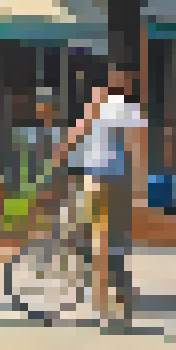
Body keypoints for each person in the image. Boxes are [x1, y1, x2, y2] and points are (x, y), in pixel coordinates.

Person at [52, 69, 146, 329]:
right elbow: (137, 146)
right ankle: (115, 304)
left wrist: (59, 162)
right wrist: (139, 185)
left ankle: (104, 302)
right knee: (112, 241)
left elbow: (71, 139)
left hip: (92, 179)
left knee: (95, 240)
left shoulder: (95, 107)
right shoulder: (128, 109)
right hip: (117, 181)